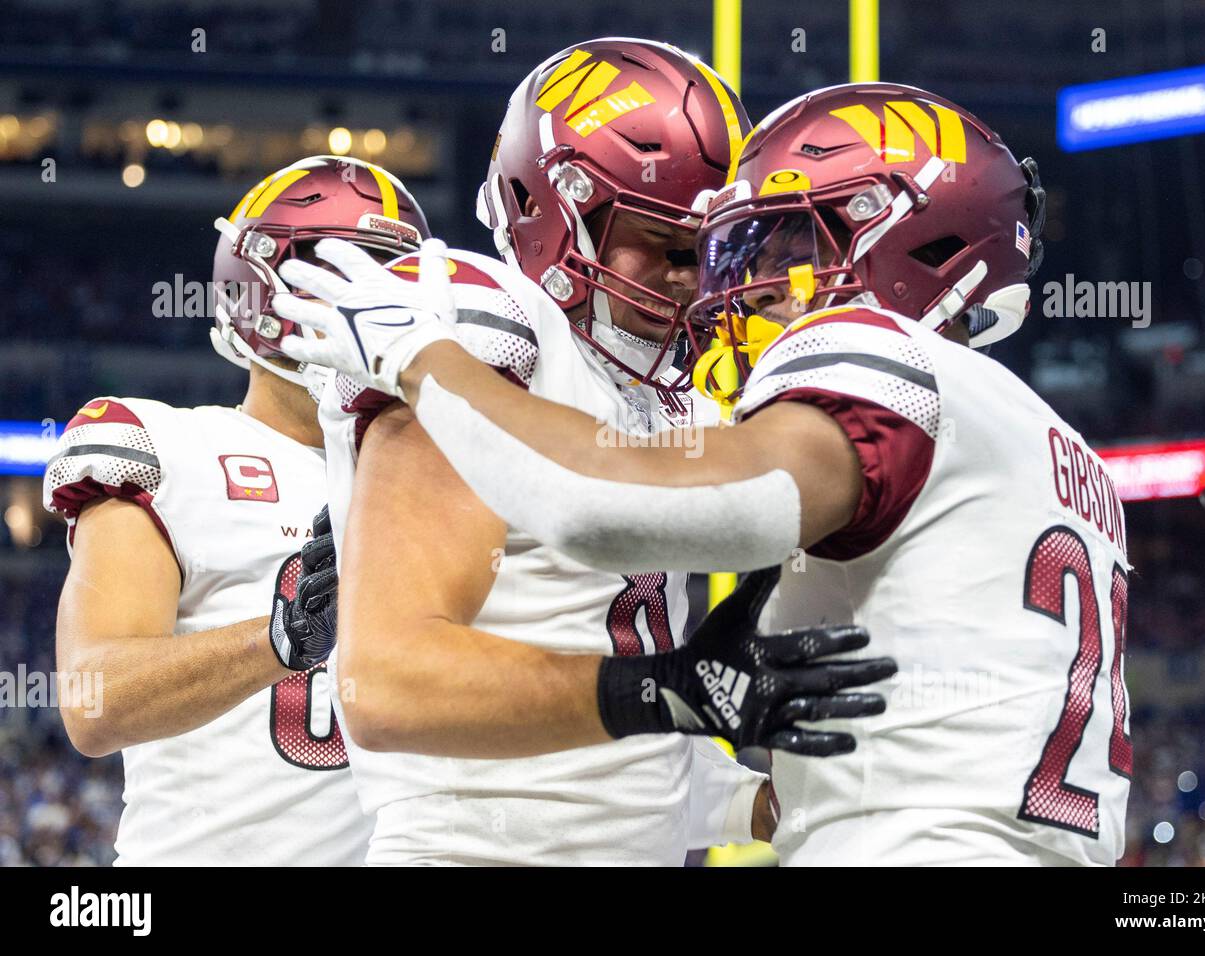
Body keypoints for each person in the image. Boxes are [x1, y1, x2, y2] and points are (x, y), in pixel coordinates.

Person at [278, 83, 1132, 866]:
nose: (740, 286)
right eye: (737, 249)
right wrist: (750, 783)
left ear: (909, 232)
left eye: (790, 240)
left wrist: (422, 357)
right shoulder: (1063, 452)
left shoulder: (873, 357)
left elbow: (594, 502)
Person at [274, 39, 895, 865]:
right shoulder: (482, 329)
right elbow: (392, 684)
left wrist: (777, 802)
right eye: (665, 245)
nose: (690, 281)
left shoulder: (675, 396)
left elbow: (616, 772)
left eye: (708, 252)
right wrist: (666, 692)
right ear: (551, 210)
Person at [42, 155, 429, 864]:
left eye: (386, 284)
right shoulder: (170, 446)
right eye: (331, 277)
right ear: (257, 288)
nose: (359, 309)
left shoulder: (441, 480)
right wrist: (278, 642)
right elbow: (93, 704)